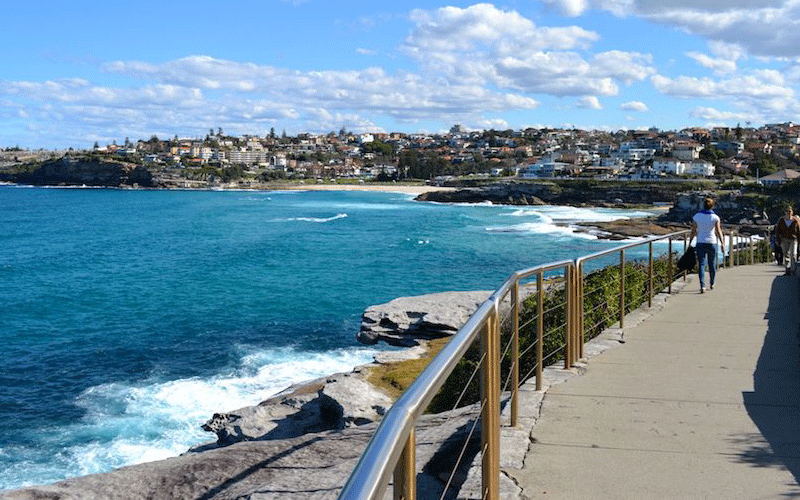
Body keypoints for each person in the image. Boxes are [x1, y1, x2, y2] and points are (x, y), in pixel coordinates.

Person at [689, 197, 725, 293]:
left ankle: (702, 286)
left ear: (703, 205)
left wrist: (690, 241)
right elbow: (718, 231)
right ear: (712, 206)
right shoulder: (715, 217)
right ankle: (712, 283)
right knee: (712, 263)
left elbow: (693, 231)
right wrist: (722, 243)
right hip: (712, 242)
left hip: (700, 242)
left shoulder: (697, 216)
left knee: (701, 264)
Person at [774, 205, 800, 275]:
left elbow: (799, 231)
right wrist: (777, 240)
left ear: (792, 212)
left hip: (793, 239)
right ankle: (787, 269)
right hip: (784, 239)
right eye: (787, 211)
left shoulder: (795, 220)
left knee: (793, 254)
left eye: (790, 211)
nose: (789, 213)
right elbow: (778, 231)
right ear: (785, 212)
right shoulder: (781, 220)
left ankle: (793, 269)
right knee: (786, 254)